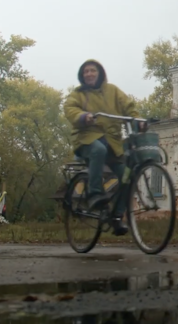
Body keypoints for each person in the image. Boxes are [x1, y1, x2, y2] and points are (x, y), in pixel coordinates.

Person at [63, 59, 147, 236]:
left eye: (93, 70)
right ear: (82, 76)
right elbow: (70, 109)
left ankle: (116, 216)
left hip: (112, 143)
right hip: (86, 139)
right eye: (86, 71)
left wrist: (136, 120)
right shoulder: (78, 95)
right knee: (98, 150)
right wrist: (83, 116)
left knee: (128, 175)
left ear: (100, 73)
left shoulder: (113, 91)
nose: (89, 74)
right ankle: (94, 194)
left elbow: (128, 106)